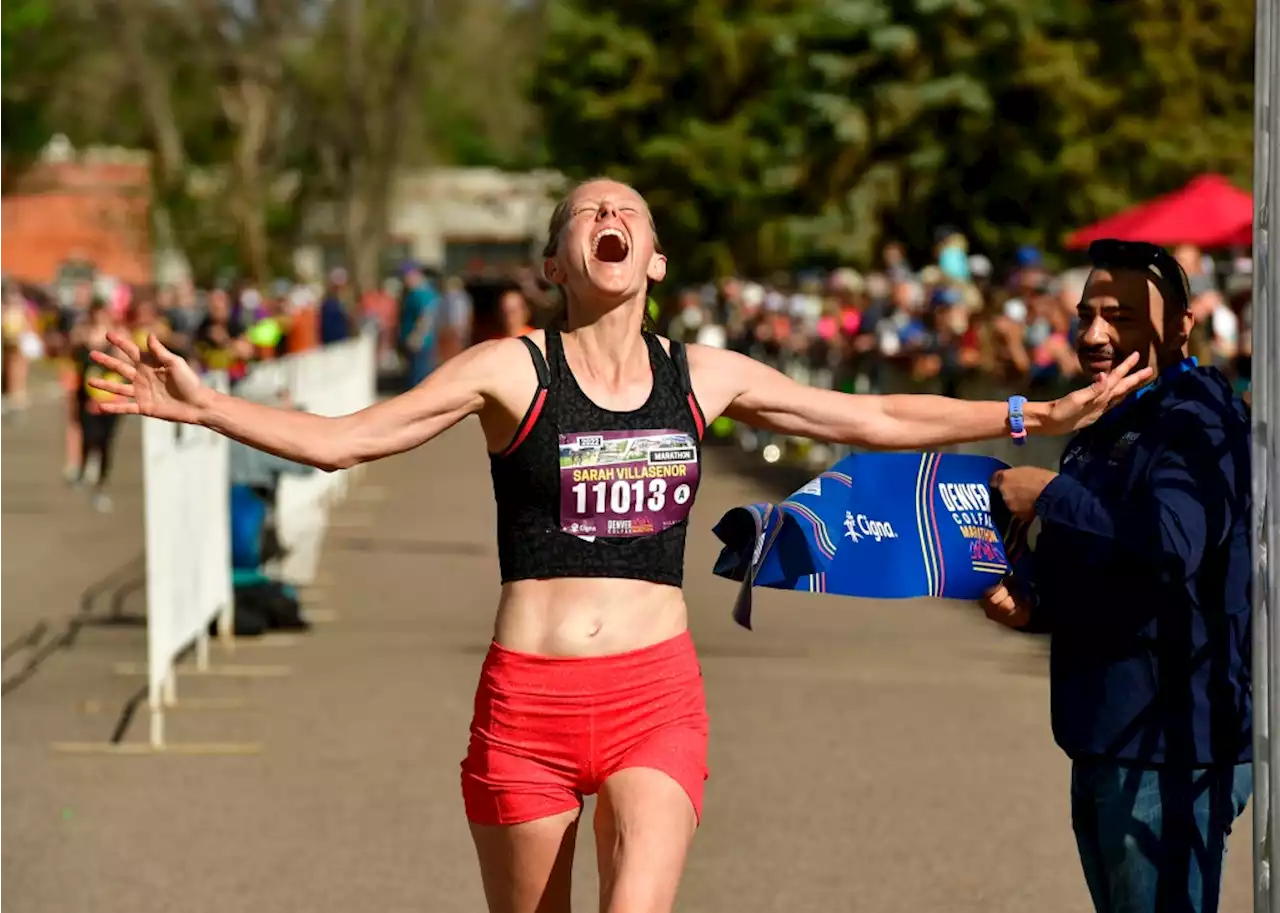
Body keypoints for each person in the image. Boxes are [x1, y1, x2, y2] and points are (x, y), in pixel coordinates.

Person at [88, 179, 1149, 913]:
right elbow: (343, 442)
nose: (606, 215)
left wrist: (1031, 411)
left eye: (626, 211)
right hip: (526, 705)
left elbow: (866, 418)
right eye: (584, 211)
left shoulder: (706, 374)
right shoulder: (511, 369)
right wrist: (207, 407)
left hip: (653, 694)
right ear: (556, 259)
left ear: (652, 256)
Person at [983, 240, 1252, 913]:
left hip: (1168, 745)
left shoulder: (1196, 418)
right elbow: (1110, 561)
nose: (1095, 334)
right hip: (1105, 731)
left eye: (1123, 317)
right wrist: (1033, 601)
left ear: (1181, 326)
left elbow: (1171, 543)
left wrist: (1048, 493)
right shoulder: (1103, 421)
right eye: (1086, 315)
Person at [74, 301, 128, 512]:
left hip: (112, 396)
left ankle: (101, 487)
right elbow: (71, 353)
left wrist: (116, 348)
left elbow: (127, 361)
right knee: (88, 436)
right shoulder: (82, 333)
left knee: (107, 441)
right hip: (87, 395)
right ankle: (85, 465)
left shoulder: (118, 334)